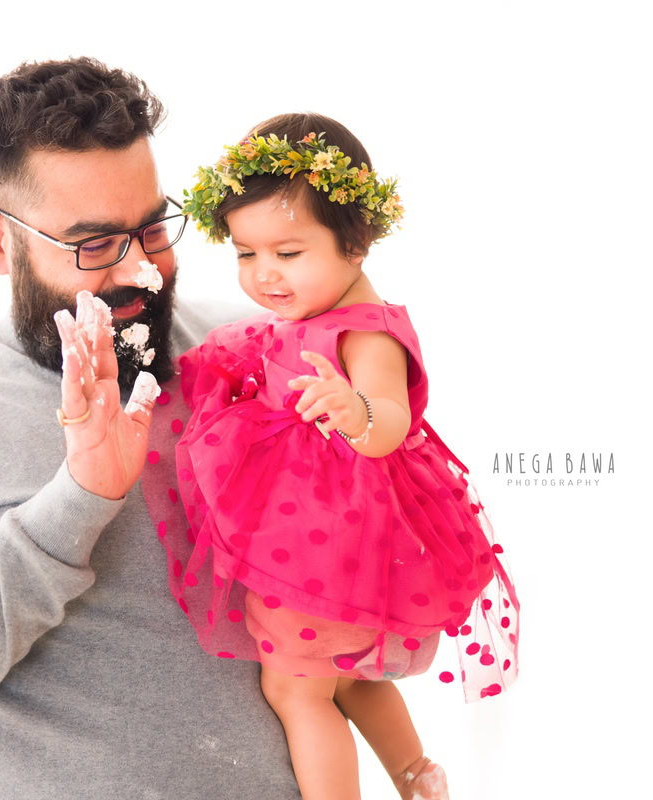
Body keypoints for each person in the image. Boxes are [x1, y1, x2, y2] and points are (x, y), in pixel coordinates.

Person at [0, 57, 307, 798]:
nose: (140, 269)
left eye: (152, 228)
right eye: (93, 245)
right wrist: (80, 498)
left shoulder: (256, 354)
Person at [141, 114, 521, 800]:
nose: (264, 274)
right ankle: (416, 776)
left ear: (356, 241)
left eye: (288, 253)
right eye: (246, 254)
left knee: (296, 690)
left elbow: (390, 422)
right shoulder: (317, 312)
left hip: (329, 535)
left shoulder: (368, 333)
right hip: (330, 530)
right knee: (348, 678)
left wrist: (356, 411)